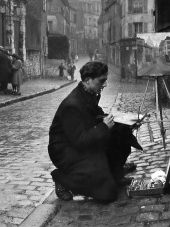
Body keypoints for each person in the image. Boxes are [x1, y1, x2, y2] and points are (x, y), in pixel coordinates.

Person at [48, 61, 142, 203]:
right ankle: (61, 178)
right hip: (66, 152)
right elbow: (80, 141)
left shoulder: (89, 93)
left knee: (121, 135)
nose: (104, 85)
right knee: (107, 193)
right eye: (101, 81)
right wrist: (104, 127)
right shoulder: (72, 105)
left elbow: (97, 117)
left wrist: (127, 125)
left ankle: (115, 175)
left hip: (82, 143)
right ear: (87, 80)